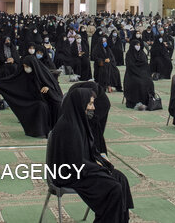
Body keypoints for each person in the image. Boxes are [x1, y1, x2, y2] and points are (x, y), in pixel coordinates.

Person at [48, 88, 133, 223]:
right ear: (80, 104)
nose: (93, 107)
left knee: (120, 179)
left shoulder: (78, 121)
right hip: (70, 174)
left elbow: (89, 151)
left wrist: (101, 162)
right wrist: (98, 168)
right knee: (113, 188)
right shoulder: (68, 127)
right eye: (90, 104)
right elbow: (73, 163)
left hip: (83, 168)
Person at [0, 55, 63, 137]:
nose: (25, 68)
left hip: (49, 97)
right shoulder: (24, 74)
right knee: (41, 106)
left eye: (27, 66)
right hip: (33, 100)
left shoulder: (43, 73)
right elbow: (12, 81)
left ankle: (56, 129)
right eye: (24, 66)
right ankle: (39, 131)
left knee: (57, 104)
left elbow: (55, 88)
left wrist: (48, 89)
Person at [68, 81, 110, 155]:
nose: (93, 107)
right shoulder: (76, 90)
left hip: (95, 118)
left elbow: (92, 118)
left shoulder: (102, 102)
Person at [123, 40, 155, 109]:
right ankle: (136, 101)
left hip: (142, 73)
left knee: (149, 81)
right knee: (139, 83)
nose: (138, 46)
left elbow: (145, 64)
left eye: (139, 45)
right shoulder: (129, 54)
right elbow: (130, 66)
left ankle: (148, 100)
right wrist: (138, 71)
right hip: (132, 74)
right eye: (136, 45)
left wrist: (143, 72)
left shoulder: (142, 53)